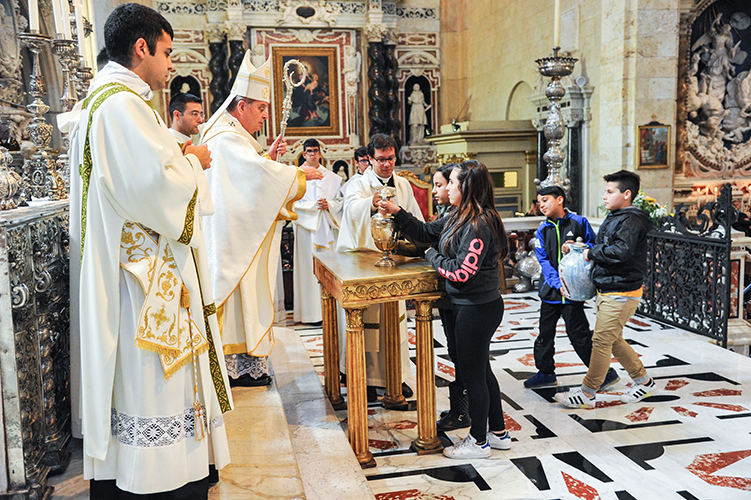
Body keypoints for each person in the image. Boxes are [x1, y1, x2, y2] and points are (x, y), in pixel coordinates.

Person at [67, 4, 232, 497]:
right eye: (165, 53)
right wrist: (196, 162)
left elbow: (138, 176)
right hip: (141, 282)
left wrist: (177, 155)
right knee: (151, 387)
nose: (169, 65)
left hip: (132, 269)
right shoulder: (121, 105)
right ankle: (159, 478)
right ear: (141, 49)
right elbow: (156, 190)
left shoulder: (112, 101)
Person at [199, 51, 318, 387]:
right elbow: (251, 178)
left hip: (235, 233)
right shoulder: (226, 139)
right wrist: (296, 174)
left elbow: (247, 179)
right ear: (241, 107)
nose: (265, 116)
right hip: (231, 240)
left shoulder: (230, 137)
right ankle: (237, 365)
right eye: (261, 108)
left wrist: (267, 159)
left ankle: (244, 362)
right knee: (239, 301)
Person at [379, 160, 510, 459]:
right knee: (480, 370)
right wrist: (398, 213)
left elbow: (461, 272)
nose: (447, 187)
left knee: (473, 375)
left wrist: (431, 256)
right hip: (471, 305)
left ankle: (479, 442)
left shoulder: (479, 224)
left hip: (478, 307)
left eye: (451, 183)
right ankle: (498, 432)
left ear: (466, 187)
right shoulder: (458, 215)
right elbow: (425, 231)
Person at [555, 170, 659, 408]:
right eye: (605, 191)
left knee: (601, 341)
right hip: (611, 287)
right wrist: (581, 248)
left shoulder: (631, 220)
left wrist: (591, 252)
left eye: (610, 191)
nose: (604, 196)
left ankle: (588, 393)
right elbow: (609, 247)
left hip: (621, 291)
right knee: (613, 340)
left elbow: (621, 253)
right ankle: (644, 382)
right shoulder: (618, 217)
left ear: (627, 194)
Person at [336, 134, 422, 401]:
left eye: (391, 159)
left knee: (394, 321)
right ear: (370, 159)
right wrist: (371, 203)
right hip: (364, 260)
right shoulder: (358, 184)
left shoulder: (404, 184)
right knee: (366, 323)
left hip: (393, 260)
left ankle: (395, 376)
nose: (387, 165)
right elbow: (349, 211)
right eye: (381, 160)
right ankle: (363, 377)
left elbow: (414, 217)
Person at [524, 186, 619, 391]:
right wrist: (558, 285)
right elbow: (544, 262)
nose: (541, 205)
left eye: (545, 200)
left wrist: (578, 247)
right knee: (544, 335)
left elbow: (594, 248)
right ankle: (545, 373)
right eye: (539, 201)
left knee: (579, 335)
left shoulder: (579, 223)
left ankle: (604, 374)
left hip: (574, 293)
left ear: (560, 200)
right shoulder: (542, 230)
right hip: (551, 293)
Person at [430, 163, 470, 431]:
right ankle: (459, 409)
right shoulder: (450, 214)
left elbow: (459, 266)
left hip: (464, 299)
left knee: (463, 356)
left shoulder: (465, 219)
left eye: (441, 184)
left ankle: (463, 413)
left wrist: (431, 255)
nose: (436, 190)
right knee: (455, 353)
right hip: (451, 297)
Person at [292, 138, 342, 324]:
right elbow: (292, 204)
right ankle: (310, 314)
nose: (312, 154)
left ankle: (330, 310)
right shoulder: (296, 176)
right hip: (307, 230)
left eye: (315, 150)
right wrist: (314, 206)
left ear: (320, 153)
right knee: (308, 269)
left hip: (327, 226)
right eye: (309, 151)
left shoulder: (332, 177)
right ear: (304, 154)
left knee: (329, 268)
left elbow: (341, 203)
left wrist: (329, 205)